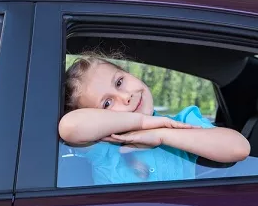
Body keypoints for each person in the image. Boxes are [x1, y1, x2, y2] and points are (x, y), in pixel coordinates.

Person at [58, 53, 250, 185]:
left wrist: (161, 135)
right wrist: (140, 123)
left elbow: (239, 148)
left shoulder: (181, 124)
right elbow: (70, 127)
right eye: (107, 103)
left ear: (129, 73)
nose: (125, 97)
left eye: (119, 82)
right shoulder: (102, 146)